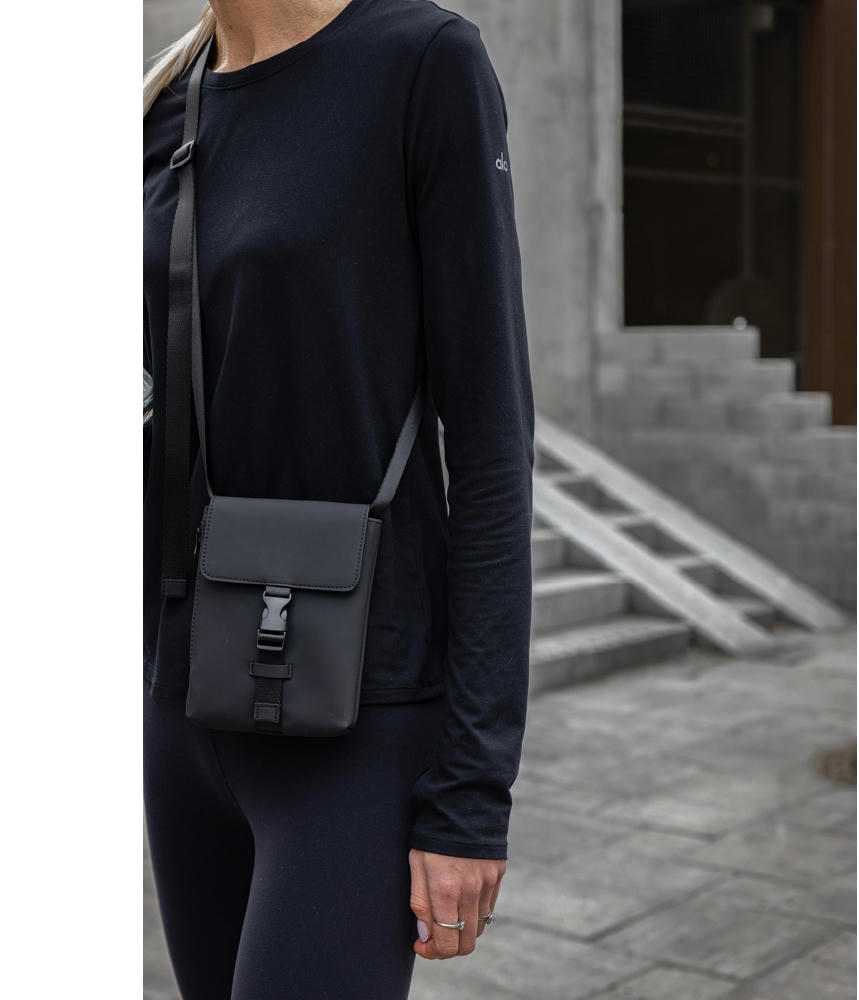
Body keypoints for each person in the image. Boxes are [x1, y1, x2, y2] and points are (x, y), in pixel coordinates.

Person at [142, 1, 535, 996]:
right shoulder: (161, 103)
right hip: (181, 706)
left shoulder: (421, 64)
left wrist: (471, 793)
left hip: (359, 714)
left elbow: (490, 445)